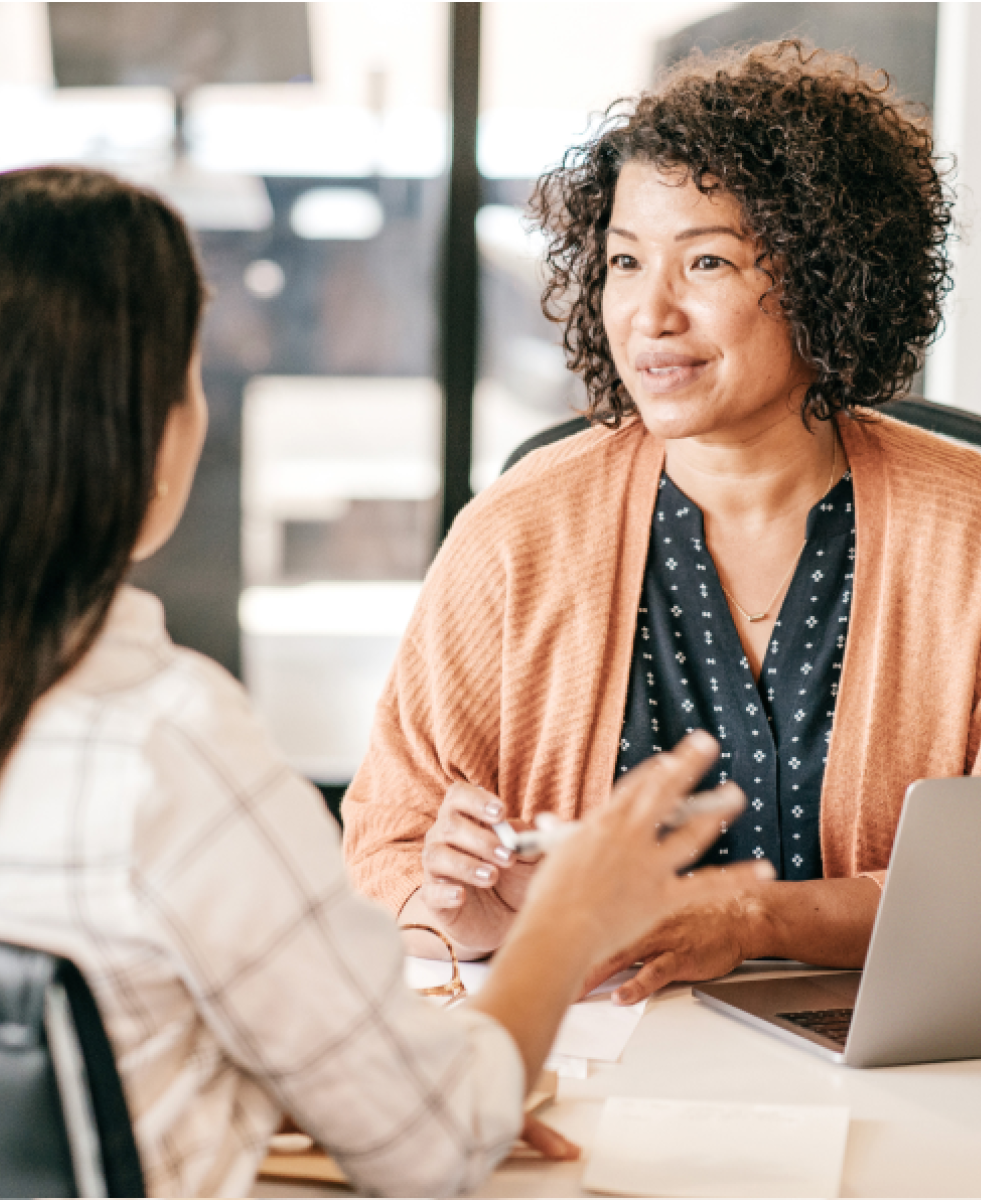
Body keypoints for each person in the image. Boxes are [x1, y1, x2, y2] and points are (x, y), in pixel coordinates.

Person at [0, 167, 766, 1198]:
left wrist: (289, 1084)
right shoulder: (164, 744)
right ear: (138, 432)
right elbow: (433, 1144)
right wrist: (568, 921)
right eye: (189, 374)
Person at [343, 40, 981, 1004]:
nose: (649, 313)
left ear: (825, 274)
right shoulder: (520, 530)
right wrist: (469, 912)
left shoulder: (968, 528)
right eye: (625, 262)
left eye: (707, 261)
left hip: (901, 1075)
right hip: (601, 1054)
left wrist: (756, 919)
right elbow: (387, 844)